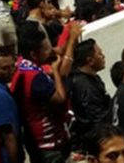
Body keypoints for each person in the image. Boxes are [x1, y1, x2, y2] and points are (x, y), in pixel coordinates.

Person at [11, 21, 81, 163]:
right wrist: (55, 71)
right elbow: (60, 98)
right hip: (48, 143)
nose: (48, 52)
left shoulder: (23, 65)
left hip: (38, 141)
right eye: (44, 50)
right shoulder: (35, 78)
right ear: (34, 54)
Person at [69, 39, 112, 141]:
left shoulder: (93, 78)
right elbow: (97, 119)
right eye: (100, 54)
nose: (103, 56)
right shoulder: (84, 86)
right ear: (90, 60)